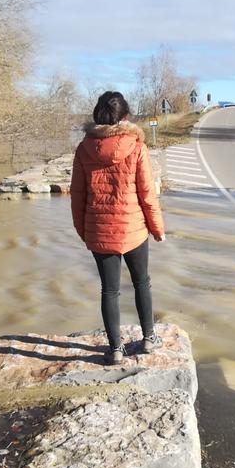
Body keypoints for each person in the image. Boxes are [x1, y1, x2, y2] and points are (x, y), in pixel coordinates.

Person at [70, 91, 166, 365]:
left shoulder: (84, 148)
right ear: (125, 117)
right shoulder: (136, 146)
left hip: (99, 230)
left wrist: (84, 230)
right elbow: (147, 193)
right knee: (142, 282)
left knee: (109, 290)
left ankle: (114, 349)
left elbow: (78, 195)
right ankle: (149, 338)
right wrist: (157, 227)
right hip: (133, 229)